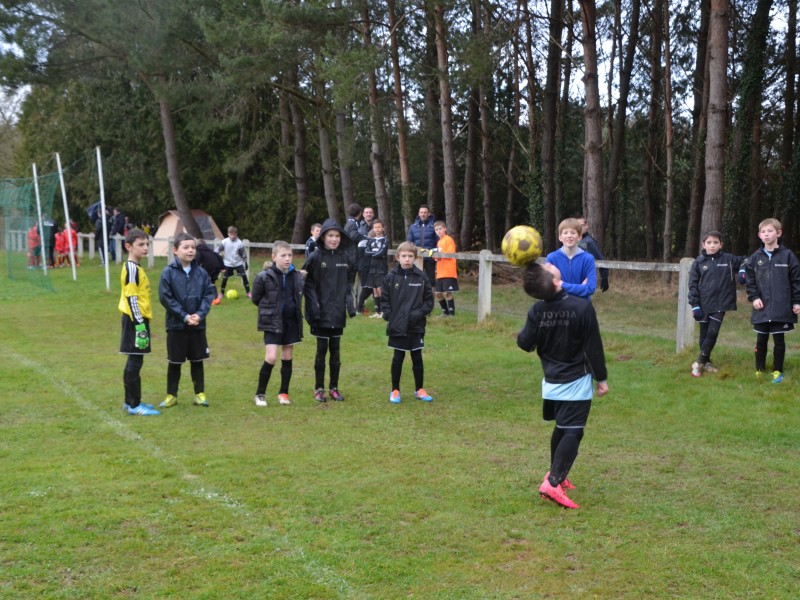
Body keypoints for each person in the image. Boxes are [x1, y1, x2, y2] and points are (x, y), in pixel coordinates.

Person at [517, 262, 608, 509]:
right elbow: (593, 347)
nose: (548, 263)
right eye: (548, 266)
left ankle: (558, 473)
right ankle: (553, 482)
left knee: (562, 427)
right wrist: (601, 379)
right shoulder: (582, 307)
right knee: (574, 431)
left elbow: (525, 343)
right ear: (556, 282)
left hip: (551, 382)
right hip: (576, 381)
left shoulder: (537, 310)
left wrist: (529, 330)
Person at [158, 233, 216, 408]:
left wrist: (199, 315)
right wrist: (184, 316)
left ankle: (199, 394)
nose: (190, 250)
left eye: (193, 247)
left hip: (197, 325)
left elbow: (208, 295)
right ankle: (171, 395)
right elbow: (165, 298)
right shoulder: (168, 273)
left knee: (197, 360)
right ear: (175, 250)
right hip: (176, 325)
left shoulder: (202, 273)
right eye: (186, 247)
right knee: (175, 361)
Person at [303, 219, 356, 402]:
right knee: (321, 350)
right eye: (330, 236)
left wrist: (349, 302)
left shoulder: (345, 257)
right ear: (323, 237)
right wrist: (314, 305)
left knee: (336, 350)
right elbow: (306, 282)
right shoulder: (315, 257)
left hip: (338, 311)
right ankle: (319, 389)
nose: (334, 239)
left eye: (337, 236)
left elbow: (349, 280)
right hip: (321, 312)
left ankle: (334, 387)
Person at [743, 218, 800, 384]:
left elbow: (796, 281)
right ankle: (759, 370)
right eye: (763, 232)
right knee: (761, 340)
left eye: (770, 231)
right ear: (759, 235)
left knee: (779, 341)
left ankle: (778, 371)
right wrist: (754, 297)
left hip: (782, 308)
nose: (766, 234)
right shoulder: (755, 258)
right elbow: (750, 281)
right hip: (762, 307)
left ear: (778, 233)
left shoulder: (788, 256)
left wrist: (797, 302)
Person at [251, 241, 304, 407]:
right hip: (272, 322)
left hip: (291, 322)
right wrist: (270, 310)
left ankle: (283, 393)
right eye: (283, 256)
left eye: (289, 255)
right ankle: (260, 394)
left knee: (287, 357)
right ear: (274, 257)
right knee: (272, 357)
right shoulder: (263, 277)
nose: (287, 259)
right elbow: (256, 299)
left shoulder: (297, 276)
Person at [381, 241, 435, 404]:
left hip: (416, 325)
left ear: (415, 257)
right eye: (404, 256)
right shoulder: (391, 277)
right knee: (398, 357)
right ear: (398, 257)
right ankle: (395, 390)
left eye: (410, 256)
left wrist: (418, 314)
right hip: (397, 325)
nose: (407, 259)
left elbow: (429, 301)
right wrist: (390, 316)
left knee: (417, 357)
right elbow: (384, 299)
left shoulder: (421, 276)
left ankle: (419, 389)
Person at [687, 231, 746, 377]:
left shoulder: (728, 259)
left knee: (713, 332)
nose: (712, 245)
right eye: (709, 242)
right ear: (703, 244)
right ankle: (706, 363)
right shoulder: (698, 262)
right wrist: (695, 304)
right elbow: (692, 285)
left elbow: (746, 260)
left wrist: (742, 270)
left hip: (721, 303)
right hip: (703, 303)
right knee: (704, 334)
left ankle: (699, 362)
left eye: (715, 242)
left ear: (721, 245)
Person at [119, 229, 160, 415]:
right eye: (140, 245)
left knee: (135, 359)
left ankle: (130, 402)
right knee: (135, 361)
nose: (145, 248)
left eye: (146, 244)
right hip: (135, 320)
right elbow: (131, 298)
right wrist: (140, 324)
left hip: (138, 319)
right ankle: (134, 405)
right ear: (129, 246)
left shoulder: (136, 267)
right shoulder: (131, 269)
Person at [545, 217, 597, 299]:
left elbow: (590, 288)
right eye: (565, 233)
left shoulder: (588, 259)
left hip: (582, 304)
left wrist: (562, 284)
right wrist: (580, 288)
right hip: (559, 304)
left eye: (573, 233)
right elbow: (548, 287)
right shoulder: (552, 258)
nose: (569, 236)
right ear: (560, 237)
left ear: (579, 237)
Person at [216, 225, 251, 302]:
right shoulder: (224, 242)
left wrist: (245, 262)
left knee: (244, 276)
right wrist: (214, 255)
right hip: (227, 263)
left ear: (236, 234)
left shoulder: (240, 243)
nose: (232, 236)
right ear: (228, 234)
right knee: (225, 278)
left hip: (238, 263)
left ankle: (248, 292)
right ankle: (221, 293)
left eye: (234, 234)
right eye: (231, 234)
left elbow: (243, 254)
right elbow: (218, 250)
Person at [364, 219, 389, 318]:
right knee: (374, 290)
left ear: (383, 228)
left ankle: (384, 311)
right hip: (372, 268)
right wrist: (375, 254)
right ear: (373, 229)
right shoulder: (371, 240)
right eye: (375, 227)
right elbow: (366, 252)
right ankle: (377, 311)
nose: (377, 229)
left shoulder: (385, 239)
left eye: (379, 227)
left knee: (380, 289)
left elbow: (382, 253)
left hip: (381, 268)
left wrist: (373, 254)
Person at [432, 220, 458, 316]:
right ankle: (445, 313)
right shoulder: (439, 242)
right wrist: (434, 255)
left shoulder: (448, 239)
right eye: (436, 229)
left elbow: (451, 254)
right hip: (440, 272)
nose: (438, 231)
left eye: (440, 229)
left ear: (445, 229)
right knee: (438, 293)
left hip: (448, 271)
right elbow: (438, 258)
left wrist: (439, 253)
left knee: (447, 293)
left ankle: (451, 314)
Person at [407, 205, 438, 284]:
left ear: (428, 214)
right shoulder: (413, 227)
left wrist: (435, 253)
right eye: (421, 212)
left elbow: (438, 242)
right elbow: (409, 242)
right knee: (415, 278)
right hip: (417, 257)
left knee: (431, 280)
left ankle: (431, 292)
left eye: (425, 212)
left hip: (430, 257)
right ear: (419, 213)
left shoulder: (434, 226)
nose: (423, 214)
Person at [577, 216, 609, 292]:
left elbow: (601, 259)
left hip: (584, 278)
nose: (579, 228)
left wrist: (604, 278)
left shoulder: (589, 242)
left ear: (586, 225)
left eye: (581, 225)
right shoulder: (573, 240)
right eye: (576, 226)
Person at [343, 203, 366, 307]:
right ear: (360, 213)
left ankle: (351, 303)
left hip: (351, 256)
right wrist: (365, 238)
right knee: (350, 282)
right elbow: (354, 236)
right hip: (352, 257)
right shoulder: (353, 224)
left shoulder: (350, 222)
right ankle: (350, 304)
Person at [355, 206, 375, 314]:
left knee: (373, 285)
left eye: (370, 212)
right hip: (363, 261)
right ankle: (359, 306)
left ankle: (375, 307)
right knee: (365, 285)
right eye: (367, 212)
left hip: (374, 262)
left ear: (373, 214)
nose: (369, 214)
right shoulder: (358, 226)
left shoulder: (376, 225)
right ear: (363, 214)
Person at [196, 241, 226, 305]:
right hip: (217, 267)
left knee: (203, 281)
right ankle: (215, 299)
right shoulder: (210, 251)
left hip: (209, 267)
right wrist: (222, 267)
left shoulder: (198, 251)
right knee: (211, 282)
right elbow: (219, 257)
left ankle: (209, 298)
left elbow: (198, 258)